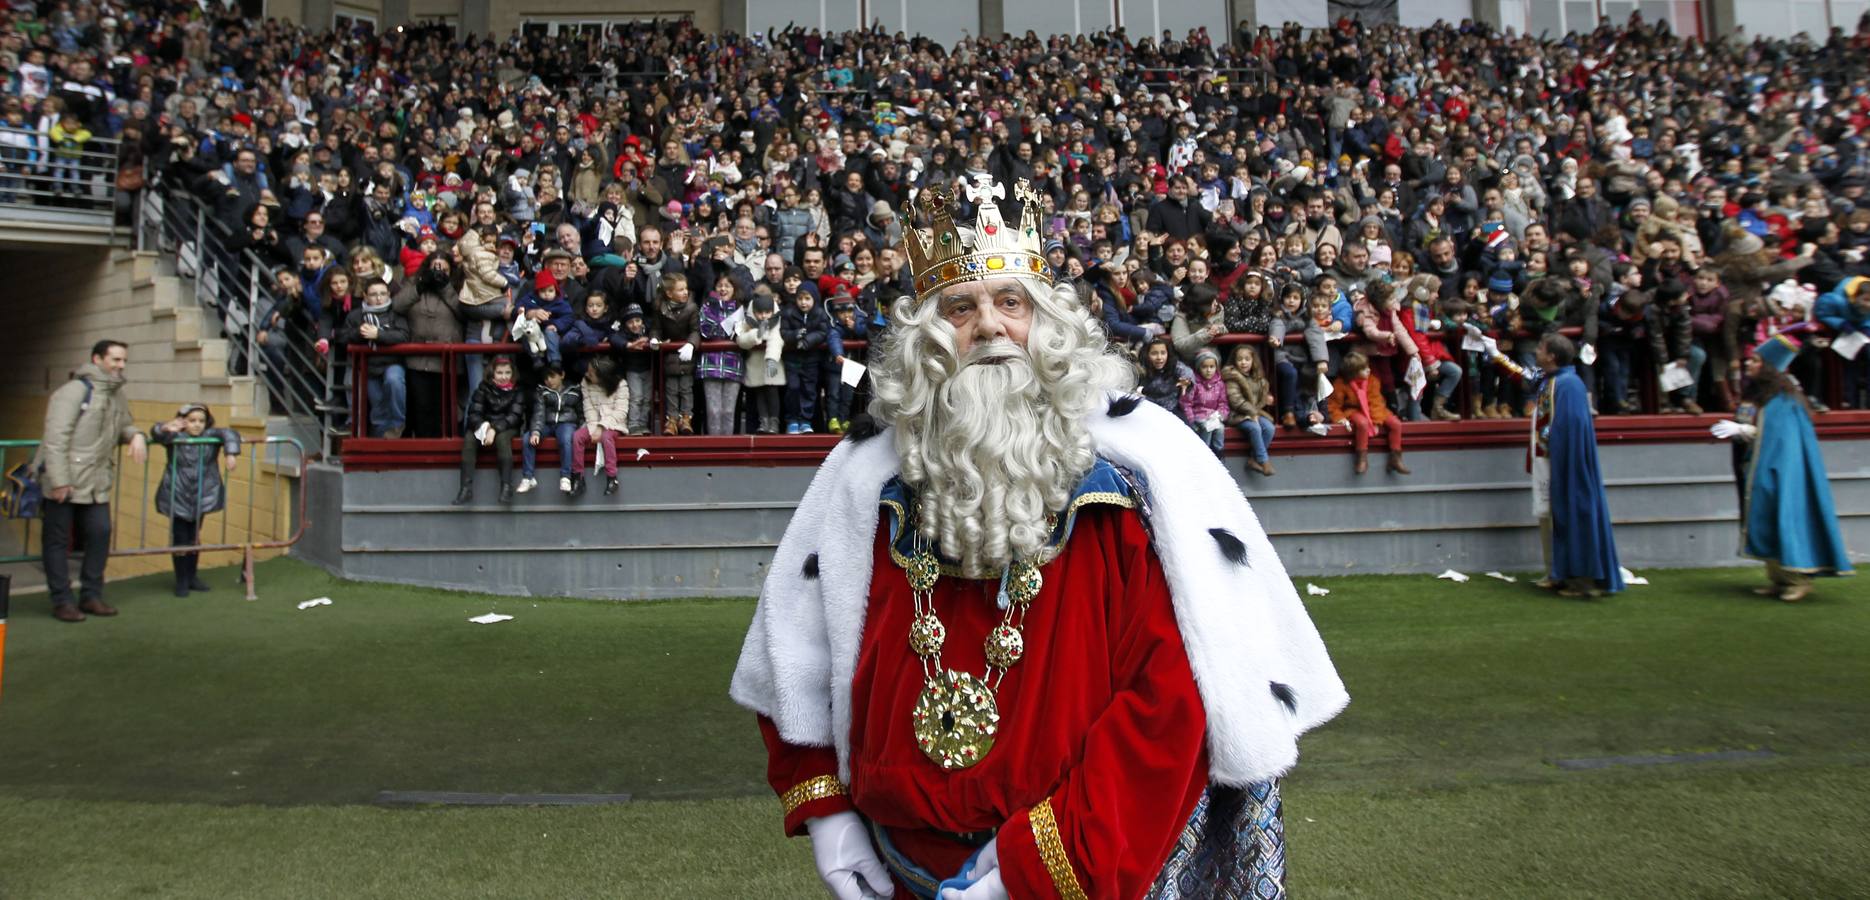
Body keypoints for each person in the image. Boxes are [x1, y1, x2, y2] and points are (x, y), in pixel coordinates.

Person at [731, 178, 1345, 900]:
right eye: (962, 307)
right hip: (890, 864)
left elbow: (1168, 700)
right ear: (931, 338)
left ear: (1048, 326)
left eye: (1010, 303)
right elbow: (796, 643)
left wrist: (1032, 870)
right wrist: (826, 810)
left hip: (1068, 866)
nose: (989, 327)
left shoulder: (1132, 488)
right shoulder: (862, 482)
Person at [1710, 335, 1853, 602]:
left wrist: (1744, 429)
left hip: (1780, 470)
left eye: (1755, 360)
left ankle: (1797, 578)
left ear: (1768, 367)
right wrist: (1740, 431)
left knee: (1784, 516)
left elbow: (1780, 439)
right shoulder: (1759, 394)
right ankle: (1777, 578)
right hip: (1757, 465)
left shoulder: (1784, 399)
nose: (1748, 364)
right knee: (1766, 517)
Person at [1487, 333, 1624, 598]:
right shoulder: (1552, 380)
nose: (1537, 351)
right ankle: (1558, 573)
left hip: (1563, 463)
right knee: (1549, 518)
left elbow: (1569, 426)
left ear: (1551, 356)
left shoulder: (1568, 384)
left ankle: (1580, 579)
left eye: (1540, 347)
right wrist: (1495, 354)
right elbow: (1524, 377)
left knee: (1572, 514)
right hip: (1548, 461)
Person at [35, 340, 147, 622]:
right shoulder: (73, 391)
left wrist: (136, 435)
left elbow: (123, 424)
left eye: (124, 361)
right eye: (116, 360)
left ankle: (91, 596)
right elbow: (56, 437)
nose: (121, 366)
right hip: (66, 481)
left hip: (97, 481)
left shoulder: (117, 394)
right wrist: (60, 480)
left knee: (100, 534)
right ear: (97, 359)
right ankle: (62, 601)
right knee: (58, 541)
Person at [150, 404, 241, 597]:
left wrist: (231, 453)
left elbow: (229, 433)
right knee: (181, 538)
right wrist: (165, 427)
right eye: (192, 421)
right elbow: (157, 433)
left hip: (201, 495)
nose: (197, 425)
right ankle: (181, 579)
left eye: (201, 420)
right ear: (183, 421)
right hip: (177, 493)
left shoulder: (211, 436)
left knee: (194, 537)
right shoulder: (174, 437)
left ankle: (192, 577)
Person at [342, 281, 411, 438]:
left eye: (383, 294)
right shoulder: (356, 315)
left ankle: (397, 425)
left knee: (394, 382)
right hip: (369, 366)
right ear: (365, 296)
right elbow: (343, 337)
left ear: (389, 294)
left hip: (393, 362)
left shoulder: (396, 313)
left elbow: (404, 335)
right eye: (373, 294)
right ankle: (381, 439)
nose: (379, 298)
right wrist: (359, 333)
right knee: (378, 404)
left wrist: (379, 335)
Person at [455, 356, 526, 505]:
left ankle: (506, 487)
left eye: (507, 372)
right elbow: (474, 413)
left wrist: (494, 429)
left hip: (507, 427)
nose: (504, 377)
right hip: (485, 426)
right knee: (469, 439)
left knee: (502, 440)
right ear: (492, 373)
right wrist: (484, 426)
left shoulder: (518, 390)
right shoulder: (483, 388)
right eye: (499, 373)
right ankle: (465, 488)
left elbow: (515, 417)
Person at [1327, 351, 1409, 476]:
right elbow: (1333, 405)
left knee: (1396, 424)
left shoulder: (1373, 381)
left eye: (1368, 367)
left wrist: (1376, 422)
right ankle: (1361, 457)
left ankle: (1396, 457)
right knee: (1362, 424)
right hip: (1353, 410)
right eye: (1364, 369)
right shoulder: (1341, 384)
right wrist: (1340, 418)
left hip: (1376, 410)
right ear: (1353, 372)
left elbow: (1376, 402)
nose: (1368, 370)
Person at [522, 365, 583, 496]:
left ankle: (565, 476)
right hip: (547, 423)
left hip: (567, 423)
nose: (549, 381)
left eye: (552, 376)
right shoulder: (542, 391)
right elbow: (539, 413)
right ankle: (528, 477)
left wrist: (581, 429)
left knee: (566, 439)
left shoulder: (574, 390)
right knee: (528, 438)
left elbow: (581, 413)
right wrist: (536, 431)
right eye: (546, 378)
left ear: (562, 375)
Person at [575, 356, 630, 496]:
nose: (587, 375)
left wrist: (602, 427)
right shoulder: (585, 383)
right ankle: (578, 477)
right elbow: (588, 408)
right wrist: (594, 429)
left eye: (591, 373)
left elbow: (621, 411)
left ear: (603, 376)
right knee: (577, 437)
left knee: (606, 437)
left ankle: (612, 477)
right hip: (592, 423)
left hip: (614, 424)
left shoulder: (621, 384)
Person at [781, 289, 832, 434]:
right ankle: (792, 420)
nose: (803, 302)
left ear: (814, 299)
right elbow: (783, 332)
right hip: (792, 359)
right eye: (800, 298)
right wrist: (795, 335)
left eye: (807, 298)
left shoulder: (820, 313)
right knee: (793, 388)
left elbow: (823, 332)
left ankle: (805, 421)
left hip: (811, 359)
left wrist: (808, 341)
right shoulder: (789, 312)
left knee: (809, 390)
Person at [737, 290, 787, 435]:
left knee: (772, 393)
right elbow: (741, 339)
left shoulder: (776, 320)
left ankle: (774, 422)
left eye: (767, 312)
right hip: (755, 363)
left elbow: (776, 340)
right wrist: (756, 334)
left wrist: (771, 359)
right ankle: (763, 422)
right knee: (759, 393)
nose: (764, 316)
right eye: (760, 312)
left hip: (772, 362)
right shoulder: (748, 320)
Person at [1225, 344, 1277, 476]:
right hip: (1237, 414)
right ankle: (1264, 461)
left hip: (1254, 413)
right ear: (1234, 362)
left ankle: (1254, 459)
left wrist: (1266, 398)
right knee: (1255, 428)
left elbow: (1257, 397)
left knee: (1269, 428)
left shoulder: (1257, 378)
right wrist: (1252, 413)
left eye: (1247, 359)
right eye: (1240, 359)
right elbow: (1235, 400)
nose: (1243, 362)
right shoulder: (1232, 377)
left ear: (1253, 361)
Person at [1181, 348, 1229, 458]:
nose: (1208, 370)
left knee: (1220, 428)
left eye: (1211, 367)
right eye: (1204, 367)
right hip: (1199, 415)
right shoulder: (1194, 384)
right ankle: (1204, 454)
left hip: (1213, 416)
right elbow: (1186, 403)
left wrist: (1220, 415)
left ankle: (1218, 453)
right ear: (1198, 368)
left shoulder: (1219, 384)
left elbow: (1223, 403)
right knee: (1207, 428)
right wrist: (1191, 421)